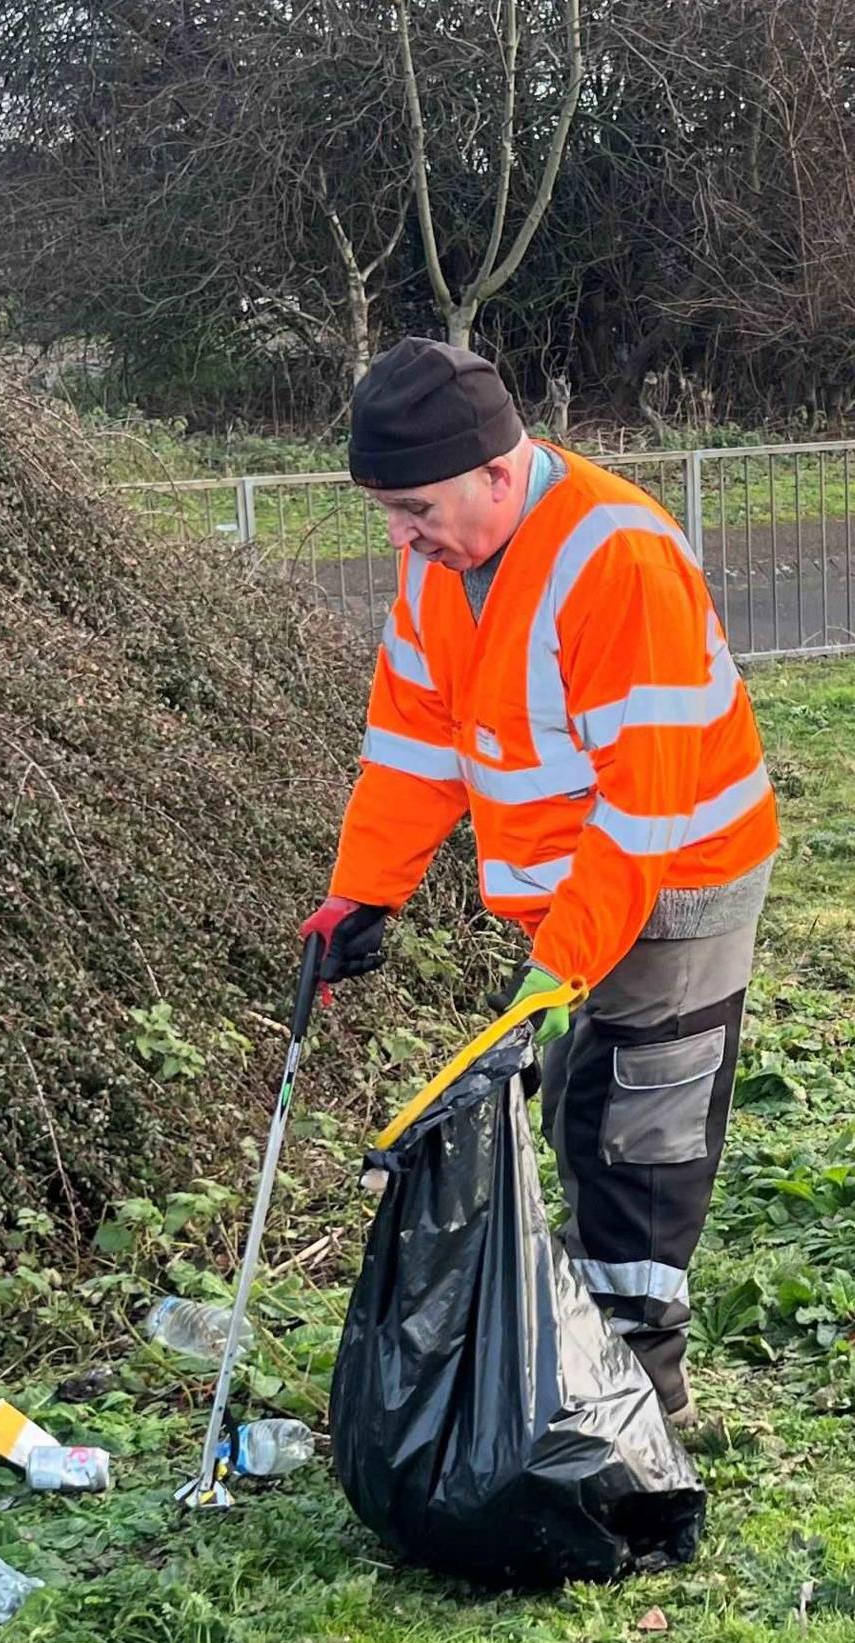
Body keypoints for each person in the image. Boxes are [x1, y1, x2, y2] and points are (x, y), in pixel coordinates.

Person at [298, 338, 776, 1421]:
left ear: (498, 474)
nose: (399, 535)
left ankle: (642, 1409)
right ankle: (581, 1364)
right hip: (575, 905)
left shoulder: (617, 561)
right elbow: (414, 745)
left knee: (640, 1139)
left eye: (413, 506)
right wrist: (364, 891)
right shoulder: (440, 570)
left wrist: (554, 973)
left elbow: (641, 810)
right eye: (385, 511)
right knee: (577, 1115)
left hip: (678, 883)